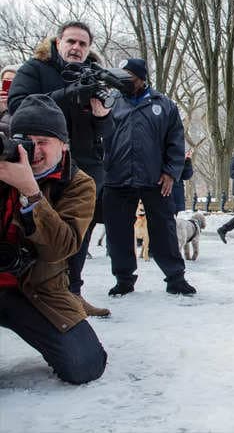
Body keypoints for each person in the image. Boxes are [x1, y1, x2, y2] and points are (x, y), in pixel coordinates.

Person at [0, 95, 107, 383]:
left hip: (40, 289)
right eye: (24, 139)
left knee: (85, 365)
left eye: (43, 141)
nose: (32, 150)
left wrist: (31, 193)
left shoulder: (79, 183)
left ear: (64, 144)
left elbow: (61, 248)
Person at [9, 21, 112, 317]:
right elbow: (18, 107)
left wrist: (102, 114)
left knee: (77, 233)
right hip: (39, 164)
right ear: (58, 43)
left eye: (83, 44)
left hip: (85, 165)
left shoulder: (95, 76)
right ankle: (27, 293)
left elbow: (107, 129)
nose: (77, 48)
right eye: (72, 42)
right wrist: (69, 92)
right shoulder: (34, 69)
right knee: (37, 229)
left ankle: (73, 292)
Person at [102, 58, 195, 296]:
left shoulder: (164, 105)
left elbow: (176, 142)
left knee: (164, 228)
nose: (123, 81)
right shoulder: (110, 102)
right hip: (117, 177)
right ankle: (123, 279)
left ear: (141, 79)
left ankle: (175, 277)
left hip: (155, 178)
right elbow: (98, 135)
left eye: (128, 77)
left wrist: (171, 173)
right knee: (118, 231)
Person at [172, 148, 193, 215]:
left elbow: (187, 175)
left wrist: (187, 160)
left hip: (177, 196)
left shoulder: (179, 156)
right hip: (162, 194)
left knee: (175, 222)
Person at [0, 64, 20, 136]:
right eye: (5, 80)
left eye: (12, 80)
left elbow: (12, 131)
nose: (9, 83)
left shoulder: (24, 102)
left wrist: (5, 111)